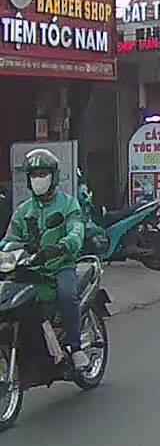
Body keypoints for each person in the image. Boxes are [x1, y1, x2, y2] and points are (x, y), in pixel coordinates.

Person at [0, 149, 89, 371]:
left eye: (43, 174)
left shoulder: (68, 204)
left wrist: (61, 247)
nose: (38, 179)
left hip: (60, 266)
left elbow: (76, 231)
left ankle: (76, 348)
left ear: (54, 176)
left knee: (67, 296)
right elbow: (10, 239)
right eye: (34, 174)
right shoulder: (23, 210)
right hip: (30, 269)